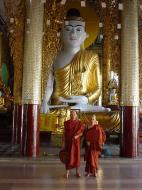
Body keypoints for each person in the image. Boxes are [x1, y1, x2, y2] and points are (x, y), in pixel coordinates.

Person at [41, 8, 105, 113]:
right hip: (59, 107)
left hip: (82, 106)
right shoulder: (53, 56)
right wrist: (44, 101)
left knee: (112, 118)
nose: (73, 33)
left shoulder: (92, 57)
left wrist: (86, 99)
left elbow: (97, 88)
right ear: (60, 34)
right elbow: (48, 85)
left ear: (85, 35)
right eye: (68, 29)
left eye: (78, 29)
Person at [62, 110, 84, 179]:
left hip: (76, 142)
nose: (73, 115)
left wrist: (77, 136)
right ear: (70, 115)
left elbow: (81, 133)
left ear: (76, 115)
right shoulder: (66, 123)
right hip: (68, 142)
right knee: (68, 156)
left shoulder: (80, 123)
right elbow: (64, 133)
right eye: (71, 114)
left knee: (76, 156)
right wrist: (63, 142)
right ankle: (67, 172)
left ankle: (77, 172)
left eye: (74, 114)